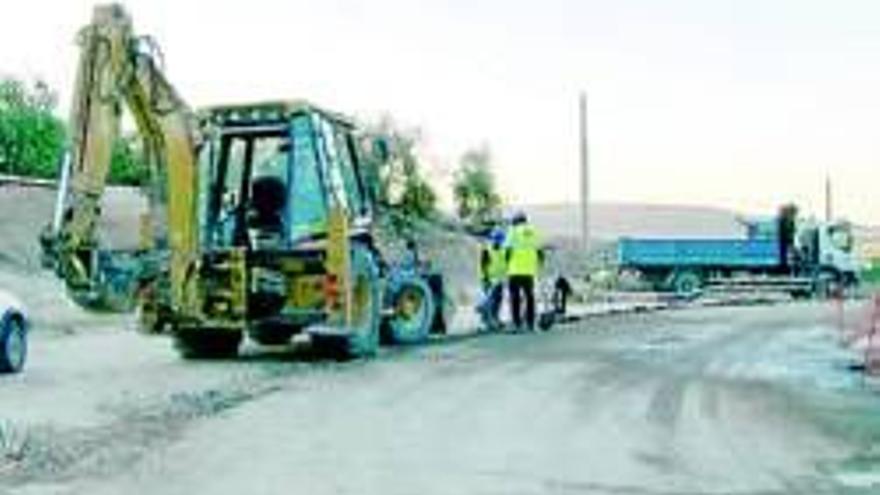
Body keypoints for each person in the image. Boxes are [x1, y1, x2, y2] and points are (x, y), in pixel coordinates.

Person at [506, 212, 543, 331]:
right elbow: (539, 251)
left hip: (515, 270)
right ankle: (530, 323)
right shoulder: (534, 231)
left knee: (514, 297)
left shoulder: (513, 231)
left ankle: (516, 324)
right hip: (529, 271)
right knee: (530, 297)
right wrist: (538, 265)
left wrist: (508, 263)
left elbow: (507, 249)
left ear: (516, 221)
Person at [477, 227, 507, 330]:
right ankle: (485, 322)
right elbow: (483, 265)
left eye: (501, 240)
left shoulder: (502, 251)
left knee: (498, 300)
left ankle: (495, 318)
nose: (500, 242)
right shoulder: (487, 250)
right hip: (489, 280)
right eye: (498, 240)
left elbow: (503, 265)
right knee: (488, 301)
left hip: (499, 280)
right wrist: (486, 278)